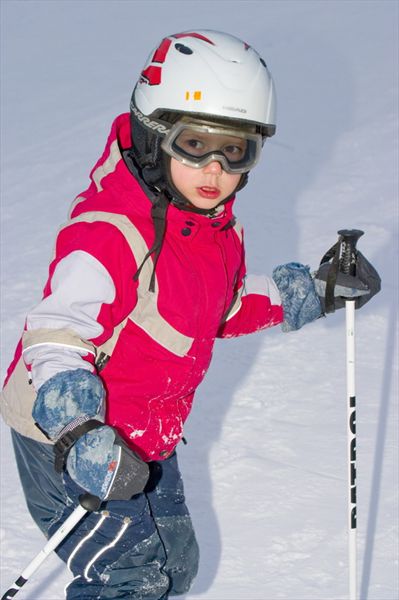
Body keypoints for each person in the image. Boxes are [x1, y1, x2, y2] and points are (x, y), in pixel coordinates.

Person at [0, 30, 380, 600]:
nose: (214, 169)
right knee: (130, 577)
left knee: (175, 566)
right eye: (195, 143)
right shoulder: (107, 235)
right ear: (155, 138)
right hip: (65, 439)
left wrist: (316, 291)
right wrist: (81, 432)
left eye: (236, 151)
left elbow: (217, 307)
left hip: (147, 431)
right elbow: (54, 339)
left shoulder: (213, 228)